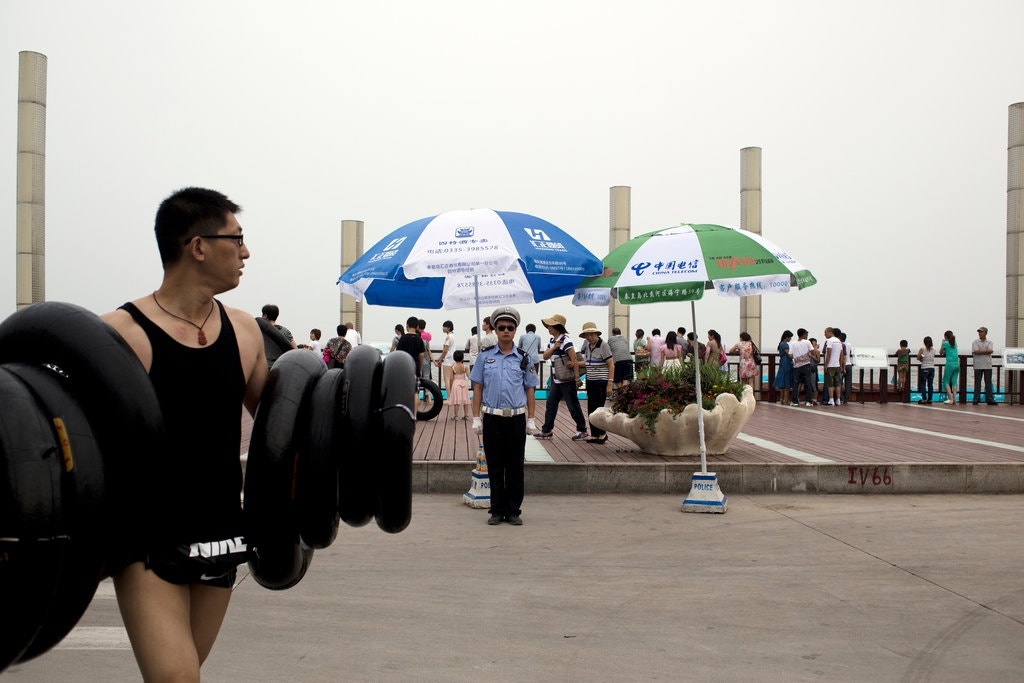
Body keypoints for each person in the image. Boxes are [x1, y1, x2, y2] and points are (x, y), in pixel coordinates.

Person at [101, 187, 267, 681]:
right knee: (177, 679)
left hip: (221, 533)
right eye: (236, 239)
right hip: (148, 539)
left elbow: (287, 432)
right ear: (197, 246)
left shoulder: (245, 332)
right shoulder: (122, 333)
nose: (245, 252)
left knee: (186, 670)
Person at [470, 306, 539, 525]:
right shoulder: (484, 357)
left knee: (515, 466)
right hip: (492, 418)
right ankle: (497, 510)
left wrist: (531, 419)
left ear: (516, 330)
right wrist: (476, 418)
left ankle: (514, 511)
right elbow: (478, 387)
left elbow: (530, 388)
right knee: (495, 465)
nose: (506, 331)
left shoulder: (524, 358)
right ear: (496, 330)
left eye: (510, 327)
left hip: (516, 419)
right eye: (502, 327)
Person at [536, 313, 588, 441]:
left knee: (573, 406)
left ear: (557, 327)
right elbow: (545, 356)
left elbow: (574, 359)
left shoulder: (566, 340)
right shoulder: (552, 341)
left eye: (550, 326)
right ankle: (547, 430)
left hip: (566, 380)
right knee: (551, 404)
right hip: (556, 379)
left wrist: (577, 378)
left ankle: (582, 430)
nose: (548, 328)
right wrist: (554, 347)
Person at [579, 322, 614, 444]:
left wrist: (609, 383)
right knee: (591, 408)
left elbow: (611, 365)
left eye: (591, 335)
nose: (589, 338)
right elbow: (588, 362)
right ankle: (595, 434)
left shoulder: (604, 345)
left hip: (601, 381)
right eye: (587, 336)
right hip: (591, 381)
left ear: (596, 334)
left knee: (599, 408)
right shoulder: (588, 346)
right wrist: (576, 364)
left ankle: (602, 434)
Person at [789, 328, 816, 406]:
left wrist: (797, 356)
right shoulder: (807, 342)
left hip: (796, 366)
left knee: (795, 384)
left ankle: (794, 401)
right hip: (806, 365)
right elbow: (812, 352)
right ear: (804, 334)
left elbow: (790, 355)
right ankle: (808, 401)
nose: (807, 336)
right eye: (806, 334)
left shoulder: (793, 343)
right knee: (808, 383)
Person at [971, 326, 996, 405]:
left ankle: (990, 399)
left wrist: (979, 351)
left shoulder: (989, 342)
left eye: (981, 332)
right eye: (979, 332)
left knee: (988, 383)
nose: (979, 333)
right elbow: (976, 351)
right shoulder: (975, 342)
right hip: (978, 365)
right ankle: (976, 399)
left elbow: (990, 350)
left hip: (987, 365)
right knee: (977, 383)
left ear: (985, 333)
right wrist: (986, 351)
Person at [822, 327, 845, 406]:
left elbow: (828, 353)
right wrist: (840, 364)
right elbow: (841, 354)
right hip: (837, 365)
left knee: (830, 383)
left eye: (825, 332)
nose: (824, 334)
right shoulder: (839, 341)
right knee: (837, 383)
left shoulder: (829, 341)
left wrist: (826, 365)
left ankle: (831, 399)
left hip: (831, 365)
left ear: (829, 332)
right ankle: (838, 399)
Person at [447, 349, 471, 419]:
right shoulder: (465, 367)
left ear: (454, 358)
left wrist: (451, 387)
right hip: (464, 383)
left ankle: (456, 416)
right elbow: (469, 376)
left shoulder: (453, 367)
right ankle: (466, 415)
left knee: (457, 401)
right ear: (462, 358)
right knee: (465, 400)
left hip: (456, 384)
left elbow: (451, 378)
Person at [435, 320, 456, 396]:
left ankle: (449, 397)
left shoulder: (448, 337)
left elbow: (445, 351)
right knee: (451, 379)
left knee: (446, 379)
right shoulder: (453, 336)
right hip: (453, 359)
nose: (443, 328)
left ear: (449, 328)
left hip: (448, 359)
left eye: (444, 327)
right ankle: (452, 396)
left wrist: (439, 360)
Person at [773, 330, 794, 405]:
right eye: (790, 337)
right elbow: (789, 355)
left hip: (782, 363)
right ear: (787, 337)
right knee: (786, 383)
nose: (790, 339)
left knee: (782, 382)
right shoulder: (785, 344)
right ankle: (786, 399)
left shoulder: (781, 344)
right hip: (787, 363)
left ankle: (781, 399)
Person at [939, 330, 959, 405]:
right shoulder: (955, 343)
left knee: (946, 381)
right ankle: (954, 398)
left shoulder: (945, 343)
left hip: (950, 364)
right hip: (957, 364)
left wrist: (942, 343)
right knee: (954, 381)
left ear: (945, 337)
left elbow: (940, 352)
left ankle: (950, 398)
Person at [917, 336, 936, 404]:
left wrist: (922, 356)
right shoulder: (934, 350)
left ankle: (924, 398)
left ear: (924, 342)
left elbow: (918, 358)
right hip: (932, 368)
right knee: (930, 384)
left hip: (925, 368)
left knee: (923, 384)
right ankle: (930, 399)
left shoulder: (922, 349)